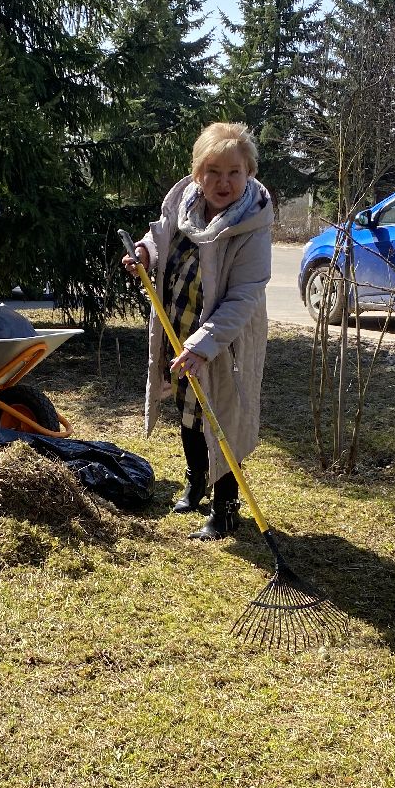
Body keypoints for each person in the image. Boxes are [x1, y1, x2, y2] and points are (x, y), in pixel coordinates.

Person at [122, 121, 274, 540]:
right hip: (178, 325)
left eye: (234, 172)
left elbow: (242, 298)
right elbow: (161, 235)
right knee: (187, 408)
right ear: (197, 174)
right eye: (213, 171)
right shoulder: (186, 201)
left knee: (223, 415)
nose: (223, 182)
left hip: (226, 339)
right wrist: (144, 253)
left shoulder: (252, 225)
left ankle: (226, 509)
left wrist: (205, 346)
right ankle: (195, 481)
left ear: (250, 173)